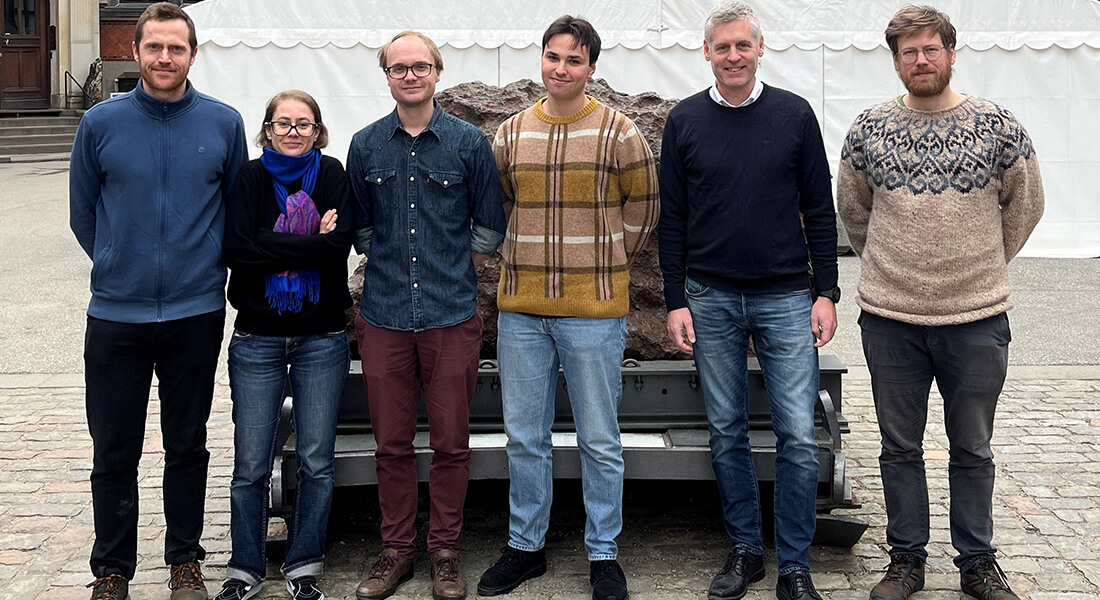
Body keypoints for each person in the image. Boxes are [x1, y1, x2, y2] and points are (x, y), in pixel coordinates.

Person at [836, 7, 1044, 600]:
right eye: (908, 52)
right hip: (890, 319)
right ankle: (906, 561)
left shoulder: (999, 127)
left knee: (972, 447)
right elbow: (854, 213)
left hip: (976, 320)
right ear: (896, 60)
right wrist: (897, 264)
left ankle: (977, 563)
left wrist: (976, 265)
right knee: (899, 447)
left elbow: (1025, 206)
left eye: (930, 49)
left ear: (952, 53)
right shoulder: (869, 129)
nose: (920, 60)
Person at [657, 2, 839, 599]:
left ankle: (794, 564)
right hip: (709, 297)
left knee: (796, 434)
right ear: (705, 53)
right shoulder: (684, 121)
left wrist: (827, 291)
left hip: (787, 296)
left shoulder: (794, 115)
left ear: (760, 49)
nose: (733, 56)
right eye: (722, 47)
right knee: (726, 430)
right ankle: (744, 550)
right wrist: (676, 299)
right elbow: (673, 220)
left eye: (743, 46)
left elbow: (819, 208)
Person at [68, 3, 248, 600]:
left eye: (176, 48)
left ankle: (185, 559)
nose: (165, 58)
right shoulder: (100, 123)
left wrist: (203, 269)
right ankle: (112, 568)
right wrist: (121, 264)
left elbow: (234, 210)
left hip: (196, 313)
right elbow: (83, 214)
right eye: (154, 48)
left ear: (193, 54)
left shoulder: (223, 124)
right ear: (138, 52)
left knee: (188, 443)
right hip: (117, 315)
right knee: (113, 447)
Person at [476, 16, 659, 600]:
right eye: (553, 57)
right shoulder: (510, 132)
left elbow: (644, 204)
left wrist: (607, 261)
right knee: (523, 436)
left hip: (595, 311)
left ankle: (603, 551)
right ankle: (525, 546)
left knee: (599, 438)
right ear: (543, 61)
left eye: (574, 60)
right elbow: (497, 204)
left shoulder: (618, 131)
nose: (561, 69)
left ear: (592, 67)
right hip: (521, 310)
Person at [347, 30, 507, 600]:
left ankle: (444, 551)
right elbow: (362, 232)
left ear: (438, 72)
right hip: (385, 316)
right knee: (389, 444)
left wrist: (442, 258)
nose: (409, 75)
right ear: (386, 76)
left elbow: (490, 227)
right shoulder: (366, 146)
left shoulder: (468, 144)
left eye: (420, 66)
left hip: (451, 315)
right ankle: (395, 551)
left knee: (450, 443)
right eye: (398, 68)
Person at [212, 90, 353, 600]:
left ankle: (303, 565)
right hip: (257, 339)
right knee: (251, 463)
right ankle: (245, 568)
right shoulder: (248, 178)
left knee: (316, 459)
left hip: (321, 338)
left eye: (304, 124)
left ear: (318, 131)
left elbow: (341, 245)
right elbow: (236, 250)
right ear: (266, 129)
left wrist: (276, 242)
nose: (293, 131)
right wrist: (312, 239)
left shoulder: (334, 174)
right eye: (283, 123)